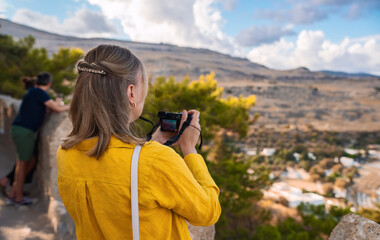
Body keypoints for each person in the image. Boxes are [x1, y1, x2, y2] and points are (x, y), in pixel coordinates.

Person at [57, 45, 221, 239]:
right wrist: (189, 148)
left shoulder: (66, 152)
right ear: (131, 93)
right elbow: (208, 212)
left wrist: (154, 142)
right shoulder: (156, 161)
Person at [6, 72, 69, 205]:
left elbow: (43, 109)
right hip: (25, 131)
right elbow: (58, 109)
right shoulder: (39, 92)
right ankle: (18, 197)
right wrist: (72, 105)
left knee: (30, 161)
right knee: (22, 164)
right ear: (49, 84)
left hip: (22, 130)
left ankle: (14, 191)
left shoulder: (33, 91)